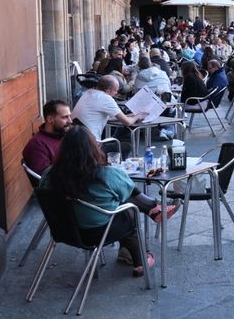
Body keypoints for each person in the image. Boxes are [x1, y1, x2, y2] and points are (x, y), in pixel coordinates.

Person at [38, 126, 169, 277]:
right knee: (128, 209)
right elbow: (129, 191)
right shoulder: (106, 174)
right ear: (94, 148)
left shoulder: (49, 174)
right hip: (98, 233)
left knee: (117, 202)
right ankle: (141, 259)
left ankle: (152, 209)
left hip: (63, 230)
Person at [71, 75, 140, 152]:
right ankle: (116, 163)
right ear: (108, 91)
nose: (117, 93)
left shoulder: (88, 93)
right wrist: (137, 116)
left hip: (76, 142)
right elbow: (127, 122)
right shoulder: (106, 98)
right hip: (92, 146)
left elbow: (108, 118)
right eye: (115, 90)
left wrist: (129, 115)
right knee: (127, 146)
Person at [22, 99, 72, 175]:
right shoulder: (37, 145)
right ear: (50, 119)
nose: (70, 121)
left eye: (69, 116)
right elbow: (47, 178)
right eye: (65, 117)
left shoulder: (62, 135)